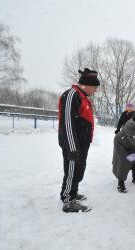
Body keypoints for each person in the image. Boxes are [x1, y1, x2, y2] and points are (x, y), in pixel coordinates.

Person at [58, 68, 99, 213]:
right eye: (94, 87)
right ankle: (68, 200)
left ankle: (72, 193)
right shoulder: (72, 95)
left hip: (81, 143)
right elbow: (67, 123)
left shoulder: (82, 97)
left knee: (78, 169)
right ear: (86, 85)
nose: (95, 90)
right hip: (73, 144)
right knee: (71, 169)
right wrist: (72, 147)